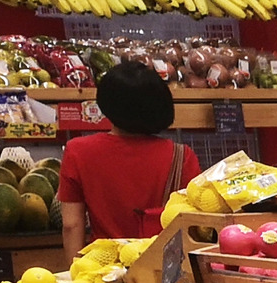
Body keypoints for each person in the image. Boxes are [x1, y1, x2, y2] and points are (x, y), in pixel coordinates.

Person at [58, 61, 201, 255]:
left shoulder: (78, 151)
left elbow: (71, 224)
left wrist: (78, 274)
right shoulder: (181, 156)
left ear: (106, 103)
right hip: (161, 268)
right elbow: (195, 223)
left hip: (103, 266)